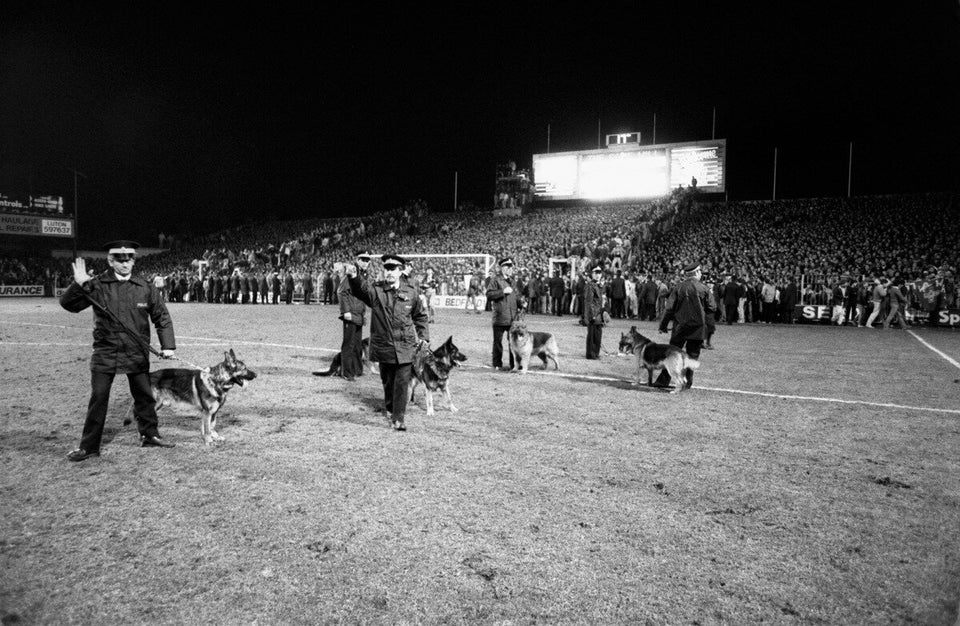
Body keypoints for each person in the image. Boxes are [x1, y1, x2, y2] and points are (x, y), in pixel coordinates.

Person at [59, 241, 176, 461]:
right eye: (119, 260)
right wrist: (79, 285)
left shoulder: (145, 287)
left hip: (136, 350)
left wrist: (168, 346)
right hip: (106, 351)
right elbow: (68, 305)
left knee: (144, 396)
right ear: (110, 261)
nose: (125, 263)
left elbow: (162, 317)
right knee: (99, 397)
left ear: (134, 260)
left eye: (129, 259)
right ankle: (89, 446)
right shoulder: (97, 284)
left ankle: (149, 435)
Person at [346, 254, 429, 431]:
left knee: (402, 382)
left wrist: (423, 337)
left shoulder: (411, 292)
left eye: (393, 270)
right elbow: (361, 290)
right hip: (384, 346)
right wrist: (353, 277)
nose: (389, 273)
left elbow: (420, 316)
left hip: (405, 346)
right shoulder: (376, 291)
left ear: (401, 271)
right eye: (387, 269)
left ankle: (399, 418)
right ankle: (390, 408)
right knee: (388, 381)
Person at [657, 262, 717, 389]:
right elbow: (712, 307)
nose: (701, 274)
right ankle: (687, 382)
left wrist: (663, 325)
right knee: (692, 355)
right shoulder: (704, 288)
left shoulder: (678, 288)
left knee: (672, 354)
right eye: (700, 271)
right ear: (696, 273)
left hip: (680, 327)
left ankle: (663, 380)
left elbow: (669, 309)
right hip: (698, 327)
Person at [324, 251, 370, 380]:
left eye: (367, 260)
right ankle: (346, 372)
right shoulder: (351, 272)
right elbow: (341, 291)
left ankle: (356, 369)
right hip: (351, 314)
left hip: (359, 314)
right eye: (363, 259)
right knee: (349, 344)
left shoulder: (363, 274)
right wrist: (346, 312)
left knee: (357, 344)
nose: (366, 262)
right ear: (357, 259)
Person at [486, 257, 520, 370]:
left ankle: (513, 364)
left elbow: (515, 297)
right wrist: (503, 292)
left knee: (513, 343)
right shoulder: (495, 280)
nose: (510, 269)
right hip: (500, 316)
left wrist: (521, 303)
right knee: (498, 343)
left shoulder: (513, 281)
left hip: (512, 317)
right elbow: (489, 295)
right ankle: (497, 364)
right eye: (507, 267)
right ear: (502, 268)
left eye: (511, 267)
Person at [583, 265, 606, 359]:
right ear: (592, 274)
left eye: (599, 273)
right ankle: (591, 354)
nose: (598, 275)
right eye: (596, 273)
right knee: (592, 336)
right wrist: (592, 315)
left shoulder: (599, 285)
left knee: (598, 336)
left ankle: (595, 353)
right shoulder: (590, 285)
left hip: (598, 314)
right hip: (593, 314)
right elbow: (589, 302)